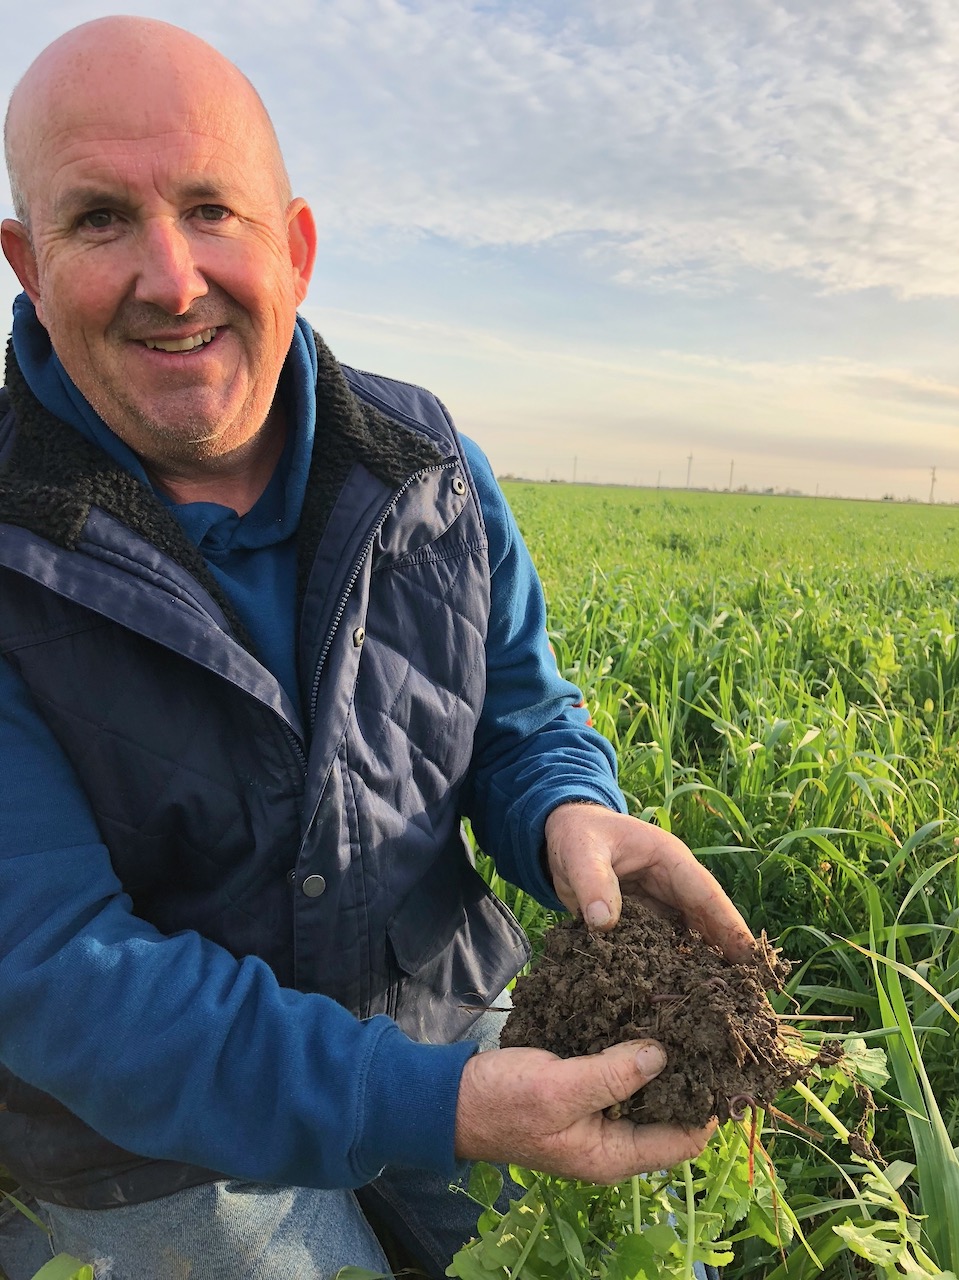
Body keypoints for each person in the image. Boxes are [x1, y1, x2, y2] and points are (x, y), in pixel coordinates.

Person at [0, 17, 754, 1280]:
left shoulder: (429, 468)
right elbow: (58, 966)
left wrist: (569, 807)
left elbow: (520, 719)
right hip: (147, 1140)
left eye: (210, 208)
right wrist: (435, 1104)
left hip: (444, 1017)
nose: (173, 277)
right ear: (26, 260)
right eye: (100, 220)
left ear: (293, 245)